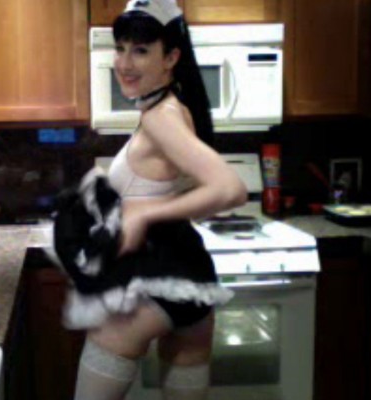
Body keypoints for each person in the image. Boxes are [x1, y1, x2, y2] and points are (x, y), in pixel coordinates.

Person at [72, 1, 248, 399]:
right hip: (192, 273)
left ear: (171, 58)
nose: (124, 63)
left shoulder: (160, 118)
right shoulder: (175, 108)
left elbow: (231, 188)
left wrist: (145, 212)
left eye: (140, 50)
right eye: (120, 48)